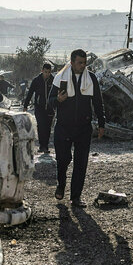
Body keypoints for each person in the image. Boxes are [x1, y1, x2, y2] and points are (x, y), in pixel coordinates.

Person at [48, 49, 105, 208]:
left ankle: (76, 197)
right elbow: (50, 101)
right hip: (63, 127)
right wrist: (58, 99)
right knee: (63, 159)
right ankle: (61, 184)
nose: (82, 65)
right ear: (72, 62)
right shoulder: (61, 78)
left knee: (81, 163)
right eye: (79, 62)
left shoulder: (91, 78)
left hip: (83, 127)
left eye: (84, 63)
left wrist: (102, 123)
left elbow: (98, 103)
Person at [23, 63, 55, 153]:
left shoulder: (53, 80)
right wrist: (25, 105)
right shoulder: (36, 80)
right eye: (45, 72)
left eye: (49, 72)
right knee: (41, 126)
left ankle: (46, 146)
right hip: (39, 107)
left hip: (50, 108)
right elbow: (30, 93)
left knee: (48, 127)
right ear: (42, 71)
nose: (47, 74)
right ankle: (42, 146)